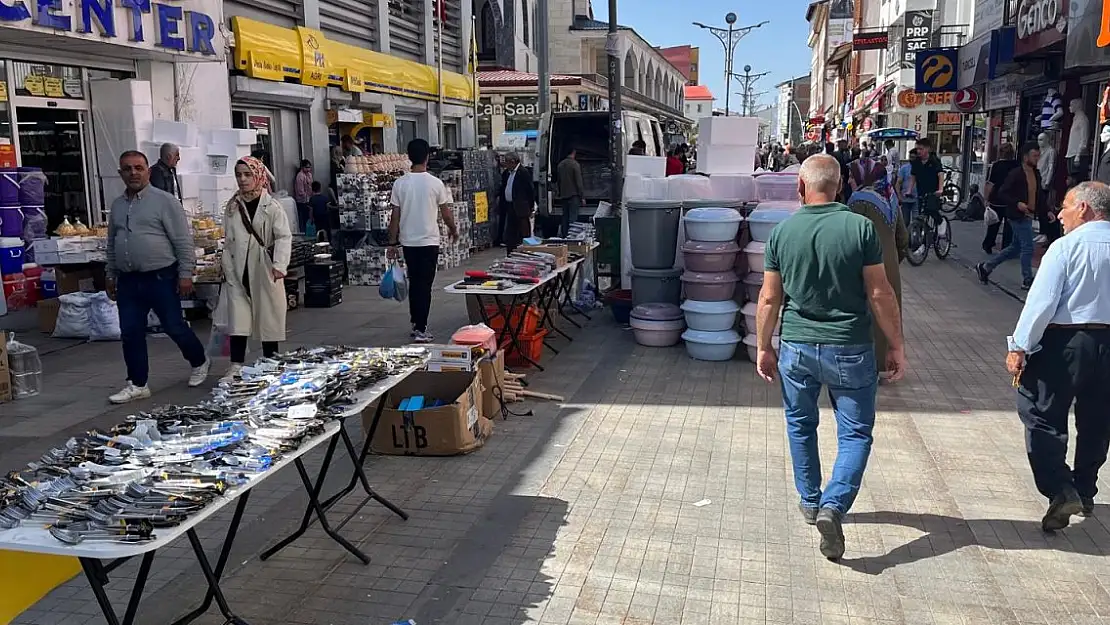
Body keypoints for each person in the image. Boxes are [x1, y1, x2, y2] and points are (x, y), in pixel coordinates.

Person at [755, 154, 906, 561]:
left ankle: (809, 500)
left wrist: (763, 345)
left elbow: (770, 297)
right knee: (855, 433)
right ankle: (833, 505)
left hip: (798, 346)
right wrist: (895, 344)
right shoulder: (860, 228)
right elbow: (880, 292)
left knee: (800, 424)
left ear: (799, 187)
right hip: (851, 347)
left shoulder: (782, 233)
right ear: (840, 187)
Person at [1006, 181, 1110, 532]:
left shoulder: (1066, 247)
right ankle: (1084, 486)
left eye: (1065, 206)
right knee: (1097, 421)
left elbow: (1042, 303)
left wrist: (1019, 346)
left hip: (1065, 342)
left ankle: (1061, 488)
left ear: (1083, 207)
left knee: (1038, 411)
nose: (1060, 215)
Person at [105, 151, 209, 403]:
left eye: (138, 168)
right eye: (127, 169)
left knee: (174, 326)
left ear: (148, 171)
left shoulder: (165, 202)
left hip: (161, 276)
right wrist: (110, 274)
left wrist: (185, 274)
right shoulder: (118, 206)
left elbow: (183, 241)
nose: (133, 173)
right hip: (128, 279)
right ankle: (137, 383)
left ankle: (199, 360)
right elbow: (112, 243)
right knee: (130, 332)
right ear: (120, 173)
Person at [220, 157, 293, 379]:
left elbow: (283, 236)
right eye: (239, 175)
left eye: (247, 174)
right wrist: (225, 264)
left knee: (268, 314)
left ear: (258, 176)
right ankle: (236, 365)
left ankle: (271, 361)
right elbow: (228, 238)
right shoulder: (233, 206)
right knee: (238, 319)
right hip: (237, 268)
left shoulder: (272, 207)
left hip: (264, 267)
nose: (242, 180)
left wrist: (280, 265)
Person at [387, 139, 458, 343]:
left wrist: (392, 243)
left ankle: (416, 322)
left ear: (409, 157)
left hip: (409, 242)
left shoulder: (400, 184)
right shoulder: (435, 183)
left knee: (415, 282)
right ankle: (420, 327)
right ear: (428, 156)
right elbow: (446, 214)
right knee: (424, 286)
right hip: (429, 242)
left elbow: (395, 217)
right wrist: (453, 230)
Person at [847, 171, 909, 375]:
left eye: (851, 175)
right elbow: (903, 238)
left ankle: (868, 363)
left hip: (867, 265)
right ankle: (889, 361)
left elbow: (850, 235)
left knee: (870, 314)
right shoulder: (890, 197)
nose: (849, 179)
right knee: (889, 312)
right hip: (889, 264)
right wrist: (894, 261)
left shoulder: (858, 201)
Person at [976, 142, 1042, 290]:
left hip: (1029, 214)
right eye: (1034, 156)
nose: (1037, 159)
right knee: (1028, 247)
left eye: (1038, 156)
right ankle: (1027, 279)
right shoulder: (1016, 173)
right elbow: (1003, 192)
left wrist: (1047, 210)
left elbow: (1040, 195)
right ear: (1026, 157)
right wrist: (1017, 203)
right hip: (1017, 215)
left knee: (1015, 247)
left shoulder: (1036, 174)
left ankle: (986, 267)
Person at [982, 143, 1019, 254]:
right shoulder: (1017, 165)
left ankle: (988, 244)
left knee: (994, 223)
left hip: (996, 199)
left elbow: (990, 183)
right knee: (1010, 226)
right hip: (1011, 200)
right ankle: (1006, 247)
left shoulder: (996, 166)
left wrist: (986, 199)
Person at [497, 152, 535, 254]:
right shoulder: (507, 174)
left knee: (524, 231)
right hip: (510, 206)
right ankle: (511, 252)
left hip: (521, 207)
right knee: (511, 232)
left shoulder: (523, 172)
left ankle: (526, 251)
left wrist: (531, 207)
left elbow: (530, 191)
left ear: (513, 162)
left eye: (507, 162)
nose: (505, 165)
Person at [907, 138, 945, 216]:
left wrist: (940, 189)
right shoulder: (916, 162)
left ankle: (941, 223)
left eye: (921, 149)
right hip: (921, 191)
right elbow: (913, 177)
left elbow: (940, 174)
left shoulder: (934, 160)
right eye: (917, 149)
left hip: (933, 191)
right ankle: (922, 227)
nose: (918, 151)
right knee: (921, 213)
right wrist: (909, 190)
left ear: (927, 149)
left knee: (932, 211)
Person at [556, 147, 587, 236]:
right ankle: (572, 236)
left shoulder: (560, 165)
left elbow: (559, 181)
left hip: (564, 195)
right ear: (574, 153)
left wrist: (559, 193)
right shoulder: (575, 164)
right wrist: (582, 197)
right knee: (573, 217)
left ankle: (564, 235)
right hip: (574, 196)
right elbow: (579, 182)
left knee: (564, 216)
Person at [293, 159, 313, 233]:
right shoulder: (300, 176)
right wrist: (306, 196)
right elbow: (300, 191)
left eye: (309, 167)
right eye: (306, 167)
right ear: (302, 167)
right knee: (304, 218)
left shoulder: (309, 175)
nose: (308, 169)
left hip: (308, 198)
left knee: (308, 217)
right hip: (302, 200)